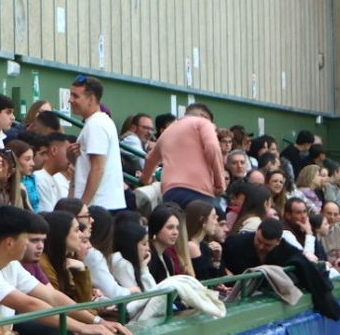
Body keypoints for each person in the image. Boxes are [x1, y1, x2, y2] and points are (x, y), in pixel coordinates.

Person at [0, 205, 132, 335]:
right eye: (26, 238)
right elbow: (30, 304)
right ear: (9, 242)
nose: (30, 245)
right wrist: (81, 327)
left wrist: (97, 322)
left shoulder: (10, 263)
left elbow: (51, 296)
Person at [137, 103, 224, 206]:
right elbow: (212, 148)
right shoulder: (203, 122)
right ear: (204, 116)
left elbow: (150, 159)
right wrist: (219, 183)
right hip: (199, 190)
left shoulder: (167, 132)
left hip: (170, 192)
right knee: (218, 219)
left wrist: (145, 180)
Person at [68, 76, 125, 210]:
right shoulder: (99, 122)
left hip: (98, 206)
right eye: (71, 95)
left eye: (75, 96)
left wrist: (83, 206)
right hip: (103, 204)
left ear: (91, 99)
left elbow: (98, 168)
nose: (70, 100)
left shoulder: (96, 125)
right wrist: (72, 157)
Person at [38, 211, 97, 304]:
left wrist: (81, 269)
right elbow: (61, 306)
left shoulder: (66, 260)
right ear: (61, 234)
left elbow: (84, 303)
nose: (81, 235)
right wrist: (96, 318)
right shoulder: (43, 264)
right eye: (77, 230)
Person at [144, 204, 190, 282]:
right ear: (156, 228)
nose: (175, 232)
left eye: (177, 228)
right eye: (170, 227)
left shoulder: (166, 256)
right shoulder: (148, 258)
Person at [184, 200, 224, 280]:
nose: (216, 222)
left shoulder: (204, 246)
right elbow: (204, 279)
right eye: (213, 218)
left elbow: (214, 279)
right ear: (202, 220)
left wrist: (216, 259)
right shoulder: (191, 246)